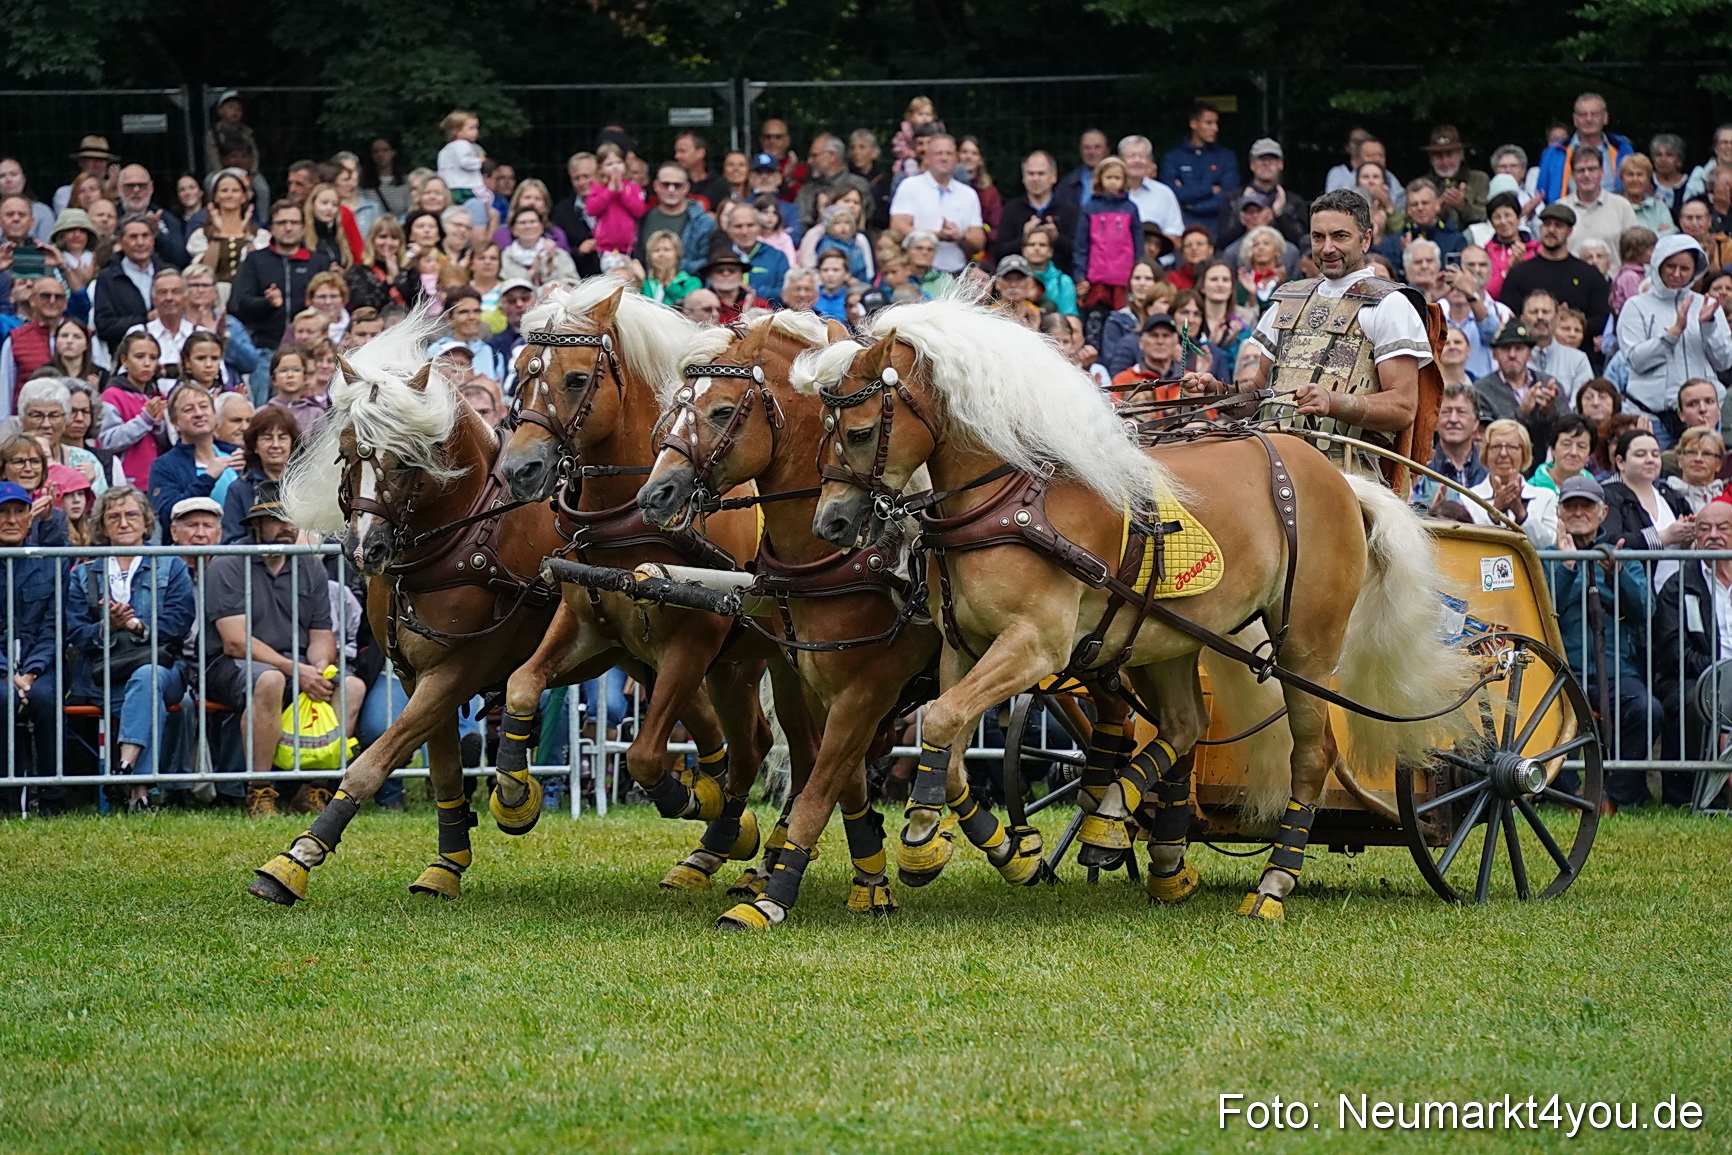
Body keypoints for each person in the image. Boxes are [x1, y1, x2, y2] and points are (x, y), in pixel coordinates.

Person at [1196, 189, 1433, 478]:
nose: (1327, 248)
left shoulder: (1390, 304)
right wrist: (1217, 394)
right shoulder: (1288, 299)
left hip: (1348, 473)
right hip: (1272, 461)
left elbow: (1403, 406)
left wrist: (1334, 403)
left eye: (1340, 236)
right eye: (1318, 237)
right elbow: (1259, 394)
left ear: (1366, 239)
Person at [203, 482, 356, 817]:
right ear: (256, 524)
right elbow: (235, 641)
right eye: (277, 519)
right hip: (231, 664)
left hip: (295, 664)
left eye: (292, 519)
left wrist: (317, 666)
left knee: (350, 686)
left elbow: (321, 636)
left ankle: (316, 787)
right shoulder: (227, 563)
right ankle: (259, 790)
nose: (287, 527)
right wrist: (295, 670)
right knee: (270, 680)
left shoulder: (309, 565)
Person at [49, 486, 194, 811]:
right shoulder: (84, 572)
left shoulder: (170, 565)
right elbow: (74, 631)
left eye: (131, 515)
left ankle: (126, 772)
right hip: (103, 676)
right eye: (114, 516)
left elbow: (180, 622)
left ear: (146, 522)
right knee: (146, 688)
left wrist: (136, 625)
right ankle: (137, 789)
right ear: (102, 526)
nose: (124, 522)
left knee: (147, 677)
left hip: (163, 669)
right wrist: (108, 627)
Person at [1547, 473, 1654, 811]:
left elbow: (1643, 610)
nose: (1579, 512)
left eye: (1586, 506)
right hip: (1563, 671)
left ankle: (1614, 794)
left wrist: (1615, 574)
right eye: (1571, 506)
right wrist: (1565, 567)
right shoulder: (1545, 558)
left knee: (1646, 710)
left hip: (1616, 670)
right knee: (1544, 713)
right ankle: (1572, 795)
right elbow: (1542, 610)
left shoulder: (1620, 556)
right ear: (1560, 513)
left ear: (1603, 513)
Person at [1617, 234, 1732, 444]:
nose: (1677, 274)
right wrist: (1673, 334)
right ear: (1658, 264)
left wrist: (1708, 327)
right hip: (1652, 416)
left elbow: (1724, 361)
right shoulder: (1635, 306)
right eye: (1670, 266)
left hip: (1701, 417)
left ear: (1695, 271)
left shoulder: (1707, 304)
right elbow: (1636, 360)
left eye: (1685, 268)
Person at [1653, 495, 1732, 800]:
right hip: (1693, 679)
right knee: (1699, 703)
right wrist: (1723, 676)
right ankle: (1697, 796)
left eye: (1722, 528)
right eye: (1705, 528)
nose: (1713, 535)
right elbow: (1675, 654)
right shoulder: (1678, 585)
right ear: (1695, 537)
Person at [0, 481, 58, 808]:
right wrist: (8, 672)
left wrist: (32, 673)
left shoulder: (49, 563)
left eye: (19, 511)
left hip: (39, 665)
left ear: (29, 517)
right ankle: (6, 799)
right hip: (3, 667)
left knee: (46, 699)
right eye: (3, 512)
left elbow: (54, 627)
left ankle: (53, 797)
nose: (11, 519)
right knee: (2, 697)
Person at [1496, 203, 1611, 348]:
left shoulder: (1589, 275)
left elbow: (1602, 316)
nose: (1551, 230)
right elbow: (1507, 314)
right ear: (1540, 228)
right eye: (1547, 224)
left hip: (1578, 355)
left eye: (1558, 226)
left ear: (1569, 231)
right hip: (1530, 353)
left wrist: (1571, 324)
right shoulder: (1520, 273)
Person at [229, 200, 336, 352]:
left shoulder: (319, 262)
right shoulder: (255, 260)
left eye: (294, 222)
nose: (288, 228)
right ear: (271, 228)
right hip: (264, 348)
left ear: (303, 228)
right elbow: (238, 304)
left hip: (312, 349)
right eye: (282, 223)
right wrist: (267, 303)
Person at [146, 383, 243, 529]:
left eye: (204, 406)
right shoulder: (164, 466)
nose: (198, 413)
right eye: (188, 409)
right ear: (175, 422)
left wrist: (252, 473)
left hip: (240, 548)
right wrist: (208, 479)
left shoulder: (237, 455)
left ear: (214, 414)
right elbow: (167, 515)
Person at [888, 134, 984, 276]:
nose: (944, 158)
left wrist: (960, 235)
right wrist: (936, 235)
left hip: (957, 273)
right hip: (918, 272)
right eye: (938, 153)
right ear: (927, 157)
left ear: (956, 158)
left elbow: (978, 242)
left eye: (949, 153)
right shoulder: (909, 186)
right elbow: (897, 228)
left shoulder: (968, 194)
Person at [1073, 157, 1141, 344]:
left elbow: (1138, 244)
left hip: (1123, 280)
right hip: (1097, 281)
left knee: (1122, 321)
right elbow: (1081, 245)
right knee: (1095, 322)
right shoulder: (1090, 208)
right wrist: (1081, 275)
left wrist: (1138, 271)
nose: (1113, 181)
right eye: (1108, 177)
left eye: (1117, 178)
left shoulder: (1131, 209)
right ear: (1100, 179)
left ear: (1124, 181)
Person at [1465, 419, 1557, 545]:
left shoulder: (1546, 497)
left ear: (1524, 452)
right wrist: (1495, 512)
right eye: (1496, 447)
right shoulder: (1468, 498)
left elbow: (1550, 545)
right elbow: (1470, 544)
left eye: (1511, 447)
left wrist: (1521, 514)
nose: (1503, 453)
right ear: (1485, 453)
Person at [1474, 319, 1561, 451]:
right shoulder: (1481, 390)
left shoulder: (1547, 383)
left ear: (1529, 354)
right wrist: (1521, 413)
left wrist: (1549, 413)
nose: (1512, 355)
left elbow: (1566, 429)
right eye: (1505, 349)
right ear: (1494, 355)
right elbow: (1488, 437)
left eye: (1519, 348)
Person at [92, 215, 175, 353]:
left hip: (169, 350)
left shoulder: (169, 273)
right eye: (133, 237)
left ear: (153, 239)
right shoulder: (108, 278)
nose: (140, 242)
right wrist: (145, 320)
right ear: (120, 242)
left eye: (145, 236)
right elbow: (104, 326)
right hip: (126, 355)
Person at [1536, 92, 1634, 203]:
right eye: (1583, 115)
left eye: (1595, 114)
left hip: (1613, 217)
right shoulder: (1555, 153)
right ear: (1575, 120)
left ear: (1605, 118)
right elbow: (1541, 195)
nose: (1589, 119)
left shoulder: (1623, 149)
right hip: (1568, 217)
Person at [222, 405, 299, 543]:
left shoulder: (309, 486)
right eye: (267, 438)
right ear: (255, 446)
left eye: (282, 438)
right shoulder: (239, 489)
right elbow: (231, 541)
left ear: (292, 445)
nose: (275, 445)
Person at [1160, 102, 1238, 237]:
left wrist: (1192, 206)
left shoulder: (1226, 157)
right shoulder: (1173, 158)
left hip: (1218, 232)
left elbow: (1229, 197)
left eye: (1216, 123)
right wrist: (1209, 189)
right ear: (1194, 124)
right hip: (1183, 231)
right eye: (1208, 123)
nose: (1215, 128)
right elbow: (1172, 196)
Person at [992, 151, 1078, 272]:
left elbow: (1079, 252)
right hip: (1020, 282)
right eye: (1030, 174)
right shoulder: (1011, 210)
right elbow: (999, 252)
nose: (1035, 179)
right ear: (1023, 177)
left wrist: (1057, 238)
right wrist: (1024, 238)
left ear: (1053, 177)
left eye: (1041, 174)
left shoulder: (1068, 211)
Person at [186, 169, 268, 290]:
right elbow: (206, 271)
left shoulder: (259, 235)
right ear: (216, 197)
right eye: (224, 190)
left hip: (247, 294)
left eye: (235, 191)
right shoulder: (202, 235)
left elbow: (261, 270)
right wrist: (217, 235)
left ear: (244, 197)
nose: (229, 195)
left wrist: (247, 236)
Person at [1559, 149, 1638, 261]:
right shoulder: (1560, 208)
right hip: (1572, 278)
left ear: (1602, 172)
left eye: (1592, 169)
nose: (1586, 175)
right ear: (1572, 175)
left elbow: (1633, 252)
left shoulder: (1622, 206)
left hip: (1613, 277)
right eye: (1581, 170)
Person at [637, 163, 715, 277]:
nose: (671, 189)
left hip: (687, 287)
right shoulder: (641, 218)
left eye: (677, 185)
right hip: (645, 288)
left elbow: (708, 262)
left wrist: (673, 265)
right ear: (656, 186)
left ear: (686, 188)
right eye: (665, 184)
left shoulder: (704, 223)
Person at [0, 278, 68, 407]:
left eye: (58, 297)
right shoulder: (16, 339)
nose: (52, 301)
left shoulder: (83, 336)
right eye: (45, 296)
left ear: (65, 303)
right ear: (32, 301)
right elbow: (5, 388)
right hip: (26, 420)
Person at [1377, 179, 1465, 273]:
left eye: (1425, 203)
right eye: (1414, 204)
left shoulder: (1455, 240)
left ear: (1437, 206)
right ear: (1408, 210)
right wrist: (1406, 256)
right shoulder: (1394, 243)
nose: (1420, 208)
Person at [1519, 290, 1594, 402]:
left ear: (1557, 319)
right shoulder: (1510, 358)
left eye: (1545, 312)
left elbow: (1580, 404)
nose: (1540, 317)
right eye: (1534, 312)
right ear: (1522, 320)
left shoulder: (1578, 360)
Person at [1115, 136, 1184, 247]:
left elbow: (1175, 235)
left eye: (1142, 156)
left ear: (1149, 161)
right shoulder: (1109, 194)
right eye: (1132, 156)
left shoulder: (1164, 194)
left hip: (1157, 261)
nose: (1137, 160)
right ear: (1120, 160)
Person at [1099, 260, 1163, 376]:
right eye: (1137, 278)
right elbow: (1110, 361)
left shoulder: (1165, 320)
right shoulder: (1116, 321)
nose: (1142, 283)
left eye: (1148, 279)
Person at [1419, 125, 1490, 230]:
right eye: (1439, 156)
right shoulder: (1421, 185)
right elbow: (1410, 221)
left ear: (1461, 155)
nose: (1445, 162)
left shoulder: (1479, 179)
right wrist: (1435, 211)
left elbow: (1489, 216)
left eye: (1449, 155)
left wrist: (1463, 206)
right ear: (1430, 159)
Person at [720, 203, 790, 307]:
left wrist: (751, 291)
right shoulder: (721, 257)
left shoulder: (777, 257)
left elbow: (786, 294)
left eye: (750, 225)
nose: (744, 231)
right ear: (728, 229)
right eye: (738, 226)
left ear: (759, 228)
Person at [1110, 313, 1184, 401]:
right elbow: (1116, 413)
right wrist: (1171, 409)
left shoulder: (1188, 379)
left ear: (1176, 342)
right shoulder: (1123, 381)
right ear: (1141, 342)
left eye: (1166, 335)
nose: (1160, 341)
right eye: (1154, 335)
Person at [500, 207, 577, 287]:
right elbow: (504, 286)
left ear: (541, 228)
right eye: (522, 223)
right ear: (513, 230)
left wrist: (551, 265)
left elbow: (573, 284)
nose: (528, 226)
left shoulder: (559, 253)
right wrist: (532, 272)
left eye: (533, 222)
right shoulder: (505, 257)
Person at [1021, 225, 1075, 317]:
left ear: (1050, 251)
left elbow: (1070, 317)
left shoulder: (1063, 281)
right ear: (1024, 250)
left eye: (1042, 245)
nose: (1037, 248)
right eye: (1031, 244)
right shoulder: (1014, 279)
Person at [700, 248, 755, 324]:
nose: (726, 274)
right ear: (710, 275)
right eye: (719, 271)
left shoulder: (758, 304)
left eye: (732, 270)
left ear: (741, 275)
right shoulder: (699, 305)